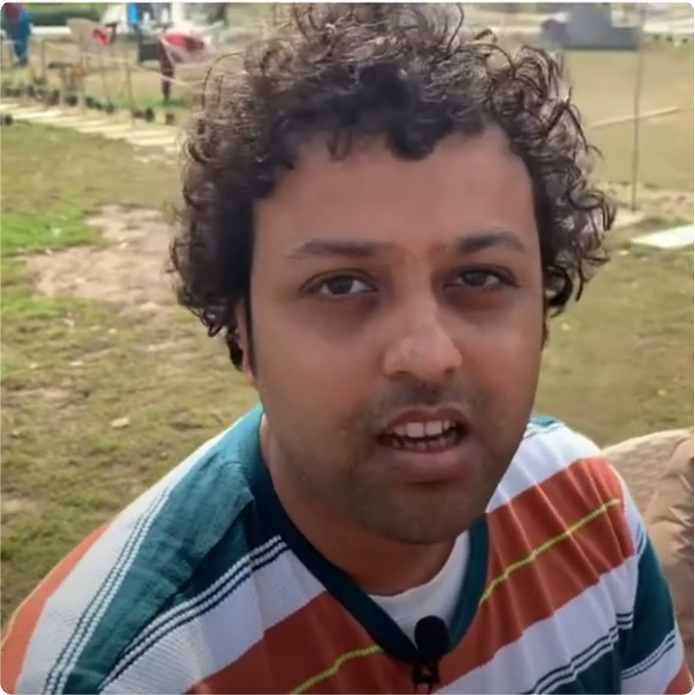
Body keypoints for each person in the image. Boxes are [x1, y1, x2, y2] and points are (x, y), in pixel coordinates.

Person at [0, 4, 692, 694]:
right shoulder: (119, 674)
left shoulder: (587, 512)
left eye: (479, 277)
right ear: (243, 331)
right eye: (341, 285)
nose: (427, 354)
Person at [0, 2, 32, 67]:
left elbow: (7, 19)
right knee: (19, 43)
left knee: (20, 43)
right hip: (18, 21)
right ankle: (22, 59)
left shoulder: (9, 6)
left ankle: (23, 60)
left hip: (19, 22)